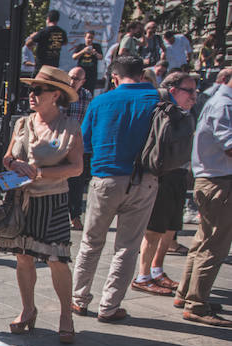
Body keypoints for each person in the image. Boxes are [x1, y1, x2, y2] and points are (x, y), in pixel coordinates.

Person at [0, 66, 84, 343]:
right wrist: (14, 164)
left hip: (53, 199)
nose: (32, 95)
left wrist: (40, 173)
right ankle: (27, 309)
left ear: (56, 94)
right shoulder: (22, 123)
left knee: (57, 258)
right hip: (21, 199)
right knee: (23, 257)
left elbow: (77, 167)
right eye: (31, 90)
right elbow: (7, 157)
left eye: (38, 90)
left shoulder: (69, 126)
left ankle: (65, 316)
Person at [72, 56, 161, 323]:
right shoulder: (157, 101)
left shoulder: (101, 101)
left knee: (91, 242)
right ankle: (109, 307)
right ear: (142, 75)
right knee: (127, 247)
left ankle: (78, 299)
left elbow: (85, 144)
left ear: (114, 77)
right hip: (145, 179)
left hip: (106, 177)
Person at [173, 72, 232, 326]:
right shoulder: (225, 104)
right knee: (214, 245)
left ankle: (187, 293)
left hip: (212, 180)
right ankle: (197, 304)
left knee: (203, 241)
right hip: (218, 182)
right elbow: (229, 145)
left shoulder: (218, 100)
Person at [132, 72, 197, 297]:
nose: (194, 96)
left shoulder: (186, 113)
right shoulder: (162, 111)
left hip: (179, 174)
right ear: (173, 91)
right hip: (161, 176)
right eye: (189, 90)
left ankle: (157, 270)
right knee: (154, 229)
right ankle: (142, 276)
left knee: (171, 226)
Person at [66, 66, 93, 230]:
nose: (72, 81)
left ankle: (75, 216)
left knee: (77, 184)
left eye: (76, 79)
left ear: (82, 81)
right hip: (60, 144)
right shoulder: (61, 94)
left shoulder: (86, 96)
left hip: (78, 144)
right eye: (70, 77)